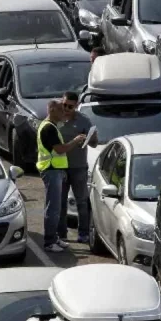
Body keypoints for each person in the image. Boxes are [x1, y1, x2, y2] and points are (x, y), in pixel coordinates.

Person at [37, 100, 86, 252]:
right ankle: (49, 241)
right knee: (53, 208)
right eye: (60, 110)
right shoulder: (48, 128)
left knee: (56, 207)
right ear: (52, 110)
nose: (63, 113)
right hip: (51, 170)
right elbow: (60, 149)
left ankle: (54, 238)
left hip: (55, 170)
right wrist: (76, 141)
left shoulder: (52, 126)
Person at [58, 91, 98, 244]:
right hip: (60, 167)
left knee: (82, 201)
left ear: (76, 106)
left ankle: (83, 234)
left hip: (78, 167)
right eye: (64, 105)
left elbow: (94, 143)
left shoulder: (83, 121)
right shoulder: (57, 118)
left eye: (70, 106)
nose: (66, 108)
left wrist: (91, 138)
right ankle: (61, 234)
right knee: (60, 202)